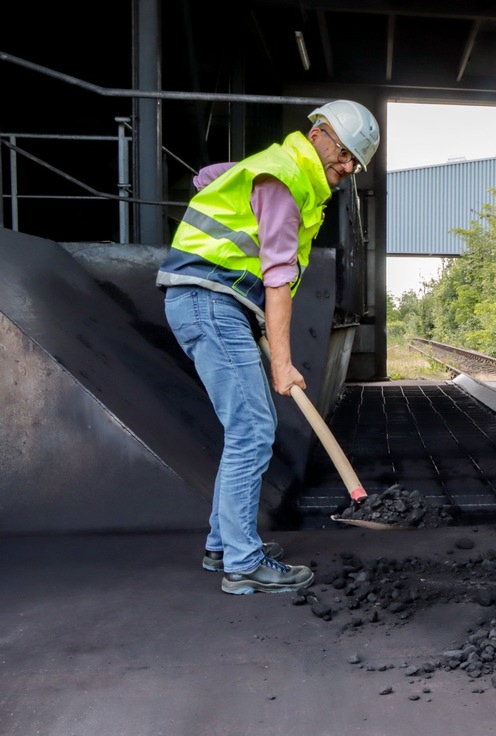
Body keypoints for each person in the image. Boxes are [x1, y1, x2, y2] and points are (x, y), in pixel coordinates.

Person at [156, 99, 381, 595]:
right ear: (319, 133)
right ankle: (242, 561)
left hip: (215, 301)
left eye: (354, 164)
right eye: (343, 155)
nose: (345, 169)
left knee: (246, 427)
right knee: (254, 429)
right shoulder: (285, 180)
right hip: (210, 300)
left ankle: (223, 545)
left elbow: (205, 177)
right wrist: (282, 363)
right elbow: (278, 280)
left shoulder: (274, 169)